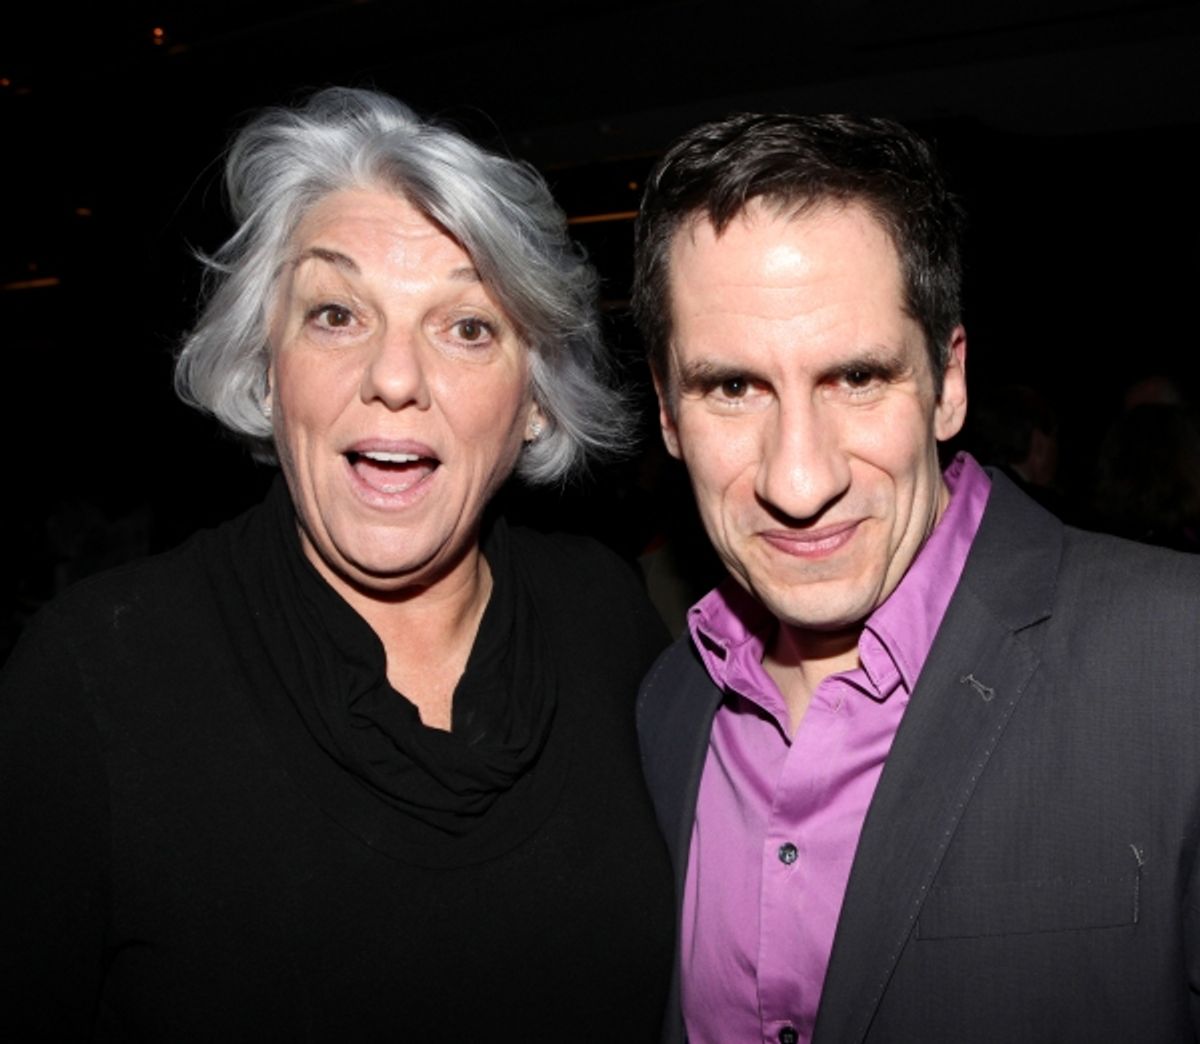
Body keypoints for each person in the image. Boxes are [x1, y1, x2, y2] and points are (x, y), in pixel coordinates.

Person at [0, 87, 673, 1040]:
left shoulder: (605, 618)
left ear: (535, 400)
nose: (394, 377)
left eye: (467, 326)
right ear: (265, 368)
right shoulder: (95, 681)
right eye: (336, 314)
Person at [630, 112, 1200, 1043]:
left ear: (949, 381)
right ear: (665, 411)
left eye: (856, 378)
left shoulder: (1177, 663)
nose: (799, 480)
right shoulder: (667, 706)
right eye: (732, 388)